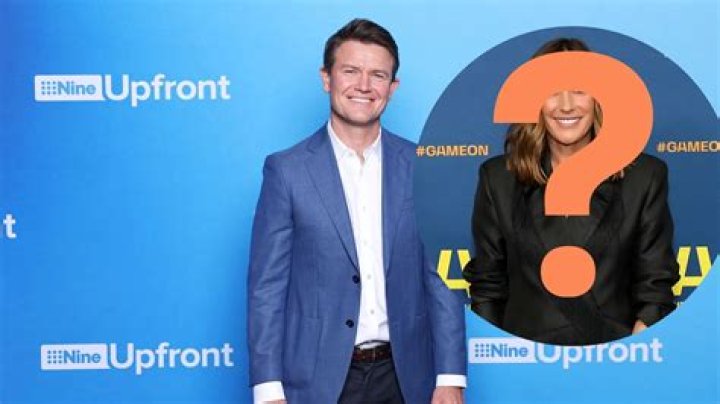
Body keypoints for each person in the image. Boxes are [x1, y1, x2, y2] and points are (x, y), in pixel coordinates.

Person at [248, 19, 466, 403]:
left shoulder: (423, 167)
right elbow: (267, 287)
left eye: (377, 75)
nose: (364, 85)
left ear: (392, 88)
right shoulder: (286, 171)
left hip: (406, 377)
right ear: (327, 78)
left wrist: (450, 376)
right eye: (350, 71)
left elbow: (444, 278)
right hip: (316, 380)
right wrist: (267, 389)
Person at [463, 38, 680, 346]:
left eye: (579, 89)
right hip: (524, 362)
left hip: (614, 359)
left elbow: (655, 287)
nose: (566, 105)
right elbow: (488, 286)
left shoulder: (644, 177)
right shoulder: (498, 179)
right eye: (552, 91)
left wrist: (629, 357)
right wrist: (502, 359)